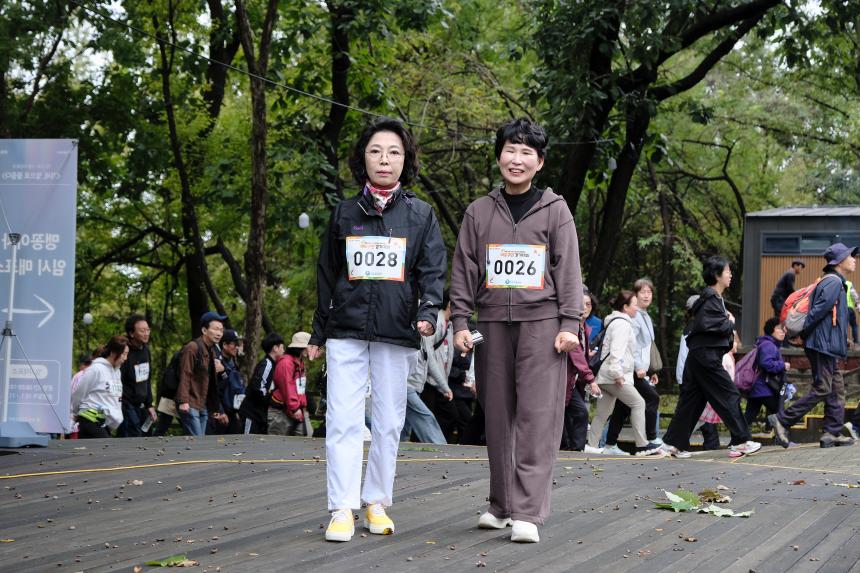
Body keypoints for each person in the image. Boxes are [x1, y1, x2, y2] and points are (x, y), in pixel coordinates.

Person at [307, 118, 446, 543]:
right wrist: (317, 332)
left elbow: (432, 270)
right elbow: (328, 274)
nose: (384, 160)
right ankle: (341, 508)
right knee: (343, 420)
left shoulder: (421, 214)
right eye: (375, 151)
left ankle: (376, 502)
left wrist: (427, 312)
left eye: (394, 152)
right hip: (346, 329)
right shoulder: (345, 212)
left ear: (406, 160)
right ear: (362, 158)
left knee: (388, 421)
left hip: (396, 331)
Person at [450, 118, 583, 544]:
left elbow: (569, 272)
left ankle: (527, 511)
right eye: (511, 149)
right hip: (491, 325)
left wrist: (569, 325)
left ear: (540, 162)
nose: (517, 158)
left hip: (543, 327)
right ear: (499, 155)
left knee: (537, 417)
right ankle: (502, 504)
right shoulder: (479, 211)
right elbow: (463, 270)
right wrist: (460, 322)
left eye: (527, 152)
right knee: (498, 413)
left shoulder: (556, 210)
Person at [660, 256, 761, 458]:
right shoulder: (711, 299)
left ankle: (673, 444)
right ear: (717, 275)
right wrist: (729, 322)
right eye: (727, 271)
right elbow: (710, 325)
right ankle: (741, 441)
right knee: (728, 395)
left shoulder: (708, 298)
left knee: (692, 401)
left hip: (698, 357)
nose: (730, 274)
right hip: (706, 358)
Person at [770, 243, 857, 448]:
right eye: (850, 256)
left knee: (836, 388)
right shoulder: (833, 282)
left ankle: (831, 433)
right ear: (839, 261)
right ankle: (783, 420)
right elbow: (816, 313)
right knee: (823, 388)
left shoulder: (835, 282)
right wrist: (805, 334)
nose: (854, 259)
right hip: (822, 345)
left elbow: (828, 316)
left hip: (827, 344)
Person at [584, 291, 661, 456]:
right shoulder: (623, 324)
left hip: (605, 376)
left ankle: (591, 445)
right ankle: (642, 445)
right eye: (634, 305)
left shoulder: (615, 322)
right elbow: (616, 352)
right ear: (625, 307)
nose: (637, 309)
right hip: (613, 376)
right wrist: (617, 374)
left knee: (603, 413)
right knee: (638, 403)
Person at [604, 278, 661, 454]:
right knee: (652, 398)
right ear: (635, 296)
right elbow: (632, 346)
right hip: (632, 369)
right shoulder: (634, 318)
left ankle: (609, 444)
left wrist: (650, 370)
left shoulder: (646, 317)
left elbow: (646, 347)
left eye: (649, 292)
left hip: (640, 370)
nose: (646, 295)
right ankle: (650, 439)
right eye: (642, 292)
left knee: (623, 406)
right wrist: (638, 368)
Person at [175, 311, 229, 436]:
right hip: (190, 403)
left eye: (221, 330)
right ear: (204, 330)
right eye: (215, 329)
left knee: (199, 442)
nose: (219, 333)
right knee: (197, 441)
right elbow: (185, 374)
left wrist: (215, 408)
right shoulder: (192, 348)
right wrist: (183, 401)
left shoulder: (211, 351)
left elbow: (211, 383)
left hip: (202, 404)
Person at [560, 293, 601, 452]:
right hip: (562, 378)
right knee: (577, 412)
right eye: (581, 304)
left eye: (588, 304)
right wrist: (591, 380)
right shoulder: (572, 328)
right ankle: (573, 448)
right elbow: (575, 354)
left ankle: (573, 448)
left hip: (573, 380)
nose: (585, 307)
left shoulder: (585, 328)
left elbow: (580, 355)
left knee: (574, 413)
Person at [401, 316, 449, 445]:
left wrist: (445, 387)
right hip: (406, 386)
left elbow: (431, 363)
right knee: (425, 416)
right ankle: (441, 447)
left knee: (404, 425)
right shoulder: (407, 332)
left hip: (416, 387)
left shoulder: (426, 339)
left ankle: (398, 449)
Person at [71, 336, 129, 438]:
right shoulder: (95, 369)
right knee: (106, 449)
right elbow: (78, 393)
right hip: (89, 418)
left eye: (127, 354)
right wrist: (75, 412)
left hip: (104, 422)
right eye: (124, 354)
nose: (125, 358)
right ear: (113, 353)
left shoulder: (117, 372)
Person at [745, 318, 789, 428]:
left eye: (784, 329)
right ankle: (780, 437)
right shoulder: (768, 345)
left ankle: (739, 439)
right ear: (771, 330)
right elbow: (766, 363)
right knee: (778, 410)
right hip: (763, 387)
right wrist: (783, 365)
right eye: (779, 328)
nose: (783, 331)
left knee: (749, 416)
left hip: (758, 387)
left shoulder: (767, 344)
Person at [240, 332, 286, 435]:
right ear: (275, 348)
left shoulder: (273, 365)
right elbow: (258, 388)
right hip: (251, 413)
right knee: (246, 443)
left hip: (259, 414)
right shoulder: (267, 364)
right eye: (282, 347)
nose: (283, 350)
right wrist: (271, 401)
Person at [118, 314, 155, 437]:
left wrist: (149, 404)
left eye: (148, 330)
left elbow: (146, 379)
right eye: (142, 330)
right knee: (132, 436)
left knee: (146, 435)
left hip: (142, 405)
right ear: (131, 333)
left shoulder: (145, 350)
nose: (146, 333)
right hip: (126, 404)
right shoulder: (124, 352)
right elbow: (118, 379)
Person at [269, 332, 312, 437]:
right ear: (301, 347)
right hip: (281, 412)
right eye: (309, 346)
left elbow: (300, 389)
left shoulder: (299, 363)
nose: (310, 349)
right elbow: (287, 387)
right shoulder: (286, 363)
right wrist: (295, 408)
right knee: (277, 445)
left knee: (306, 438)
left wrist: (303, 406)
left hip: (296, 410)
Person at [211, 329, 245, 435]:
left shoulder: (232, 363)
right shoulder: (217, 363)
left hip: (232, 413)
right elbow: (214, 390)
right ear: (224, 345)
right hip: (220, 414)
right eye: (234, 344)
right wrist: (220, 411)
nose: (237, 347)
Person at [67, 353, 94, 439]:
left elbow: (73, 395)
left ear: (82, 364)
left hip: (75, 416)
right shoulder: (92, 374)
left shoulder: (78, 376)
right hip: (88, 417)